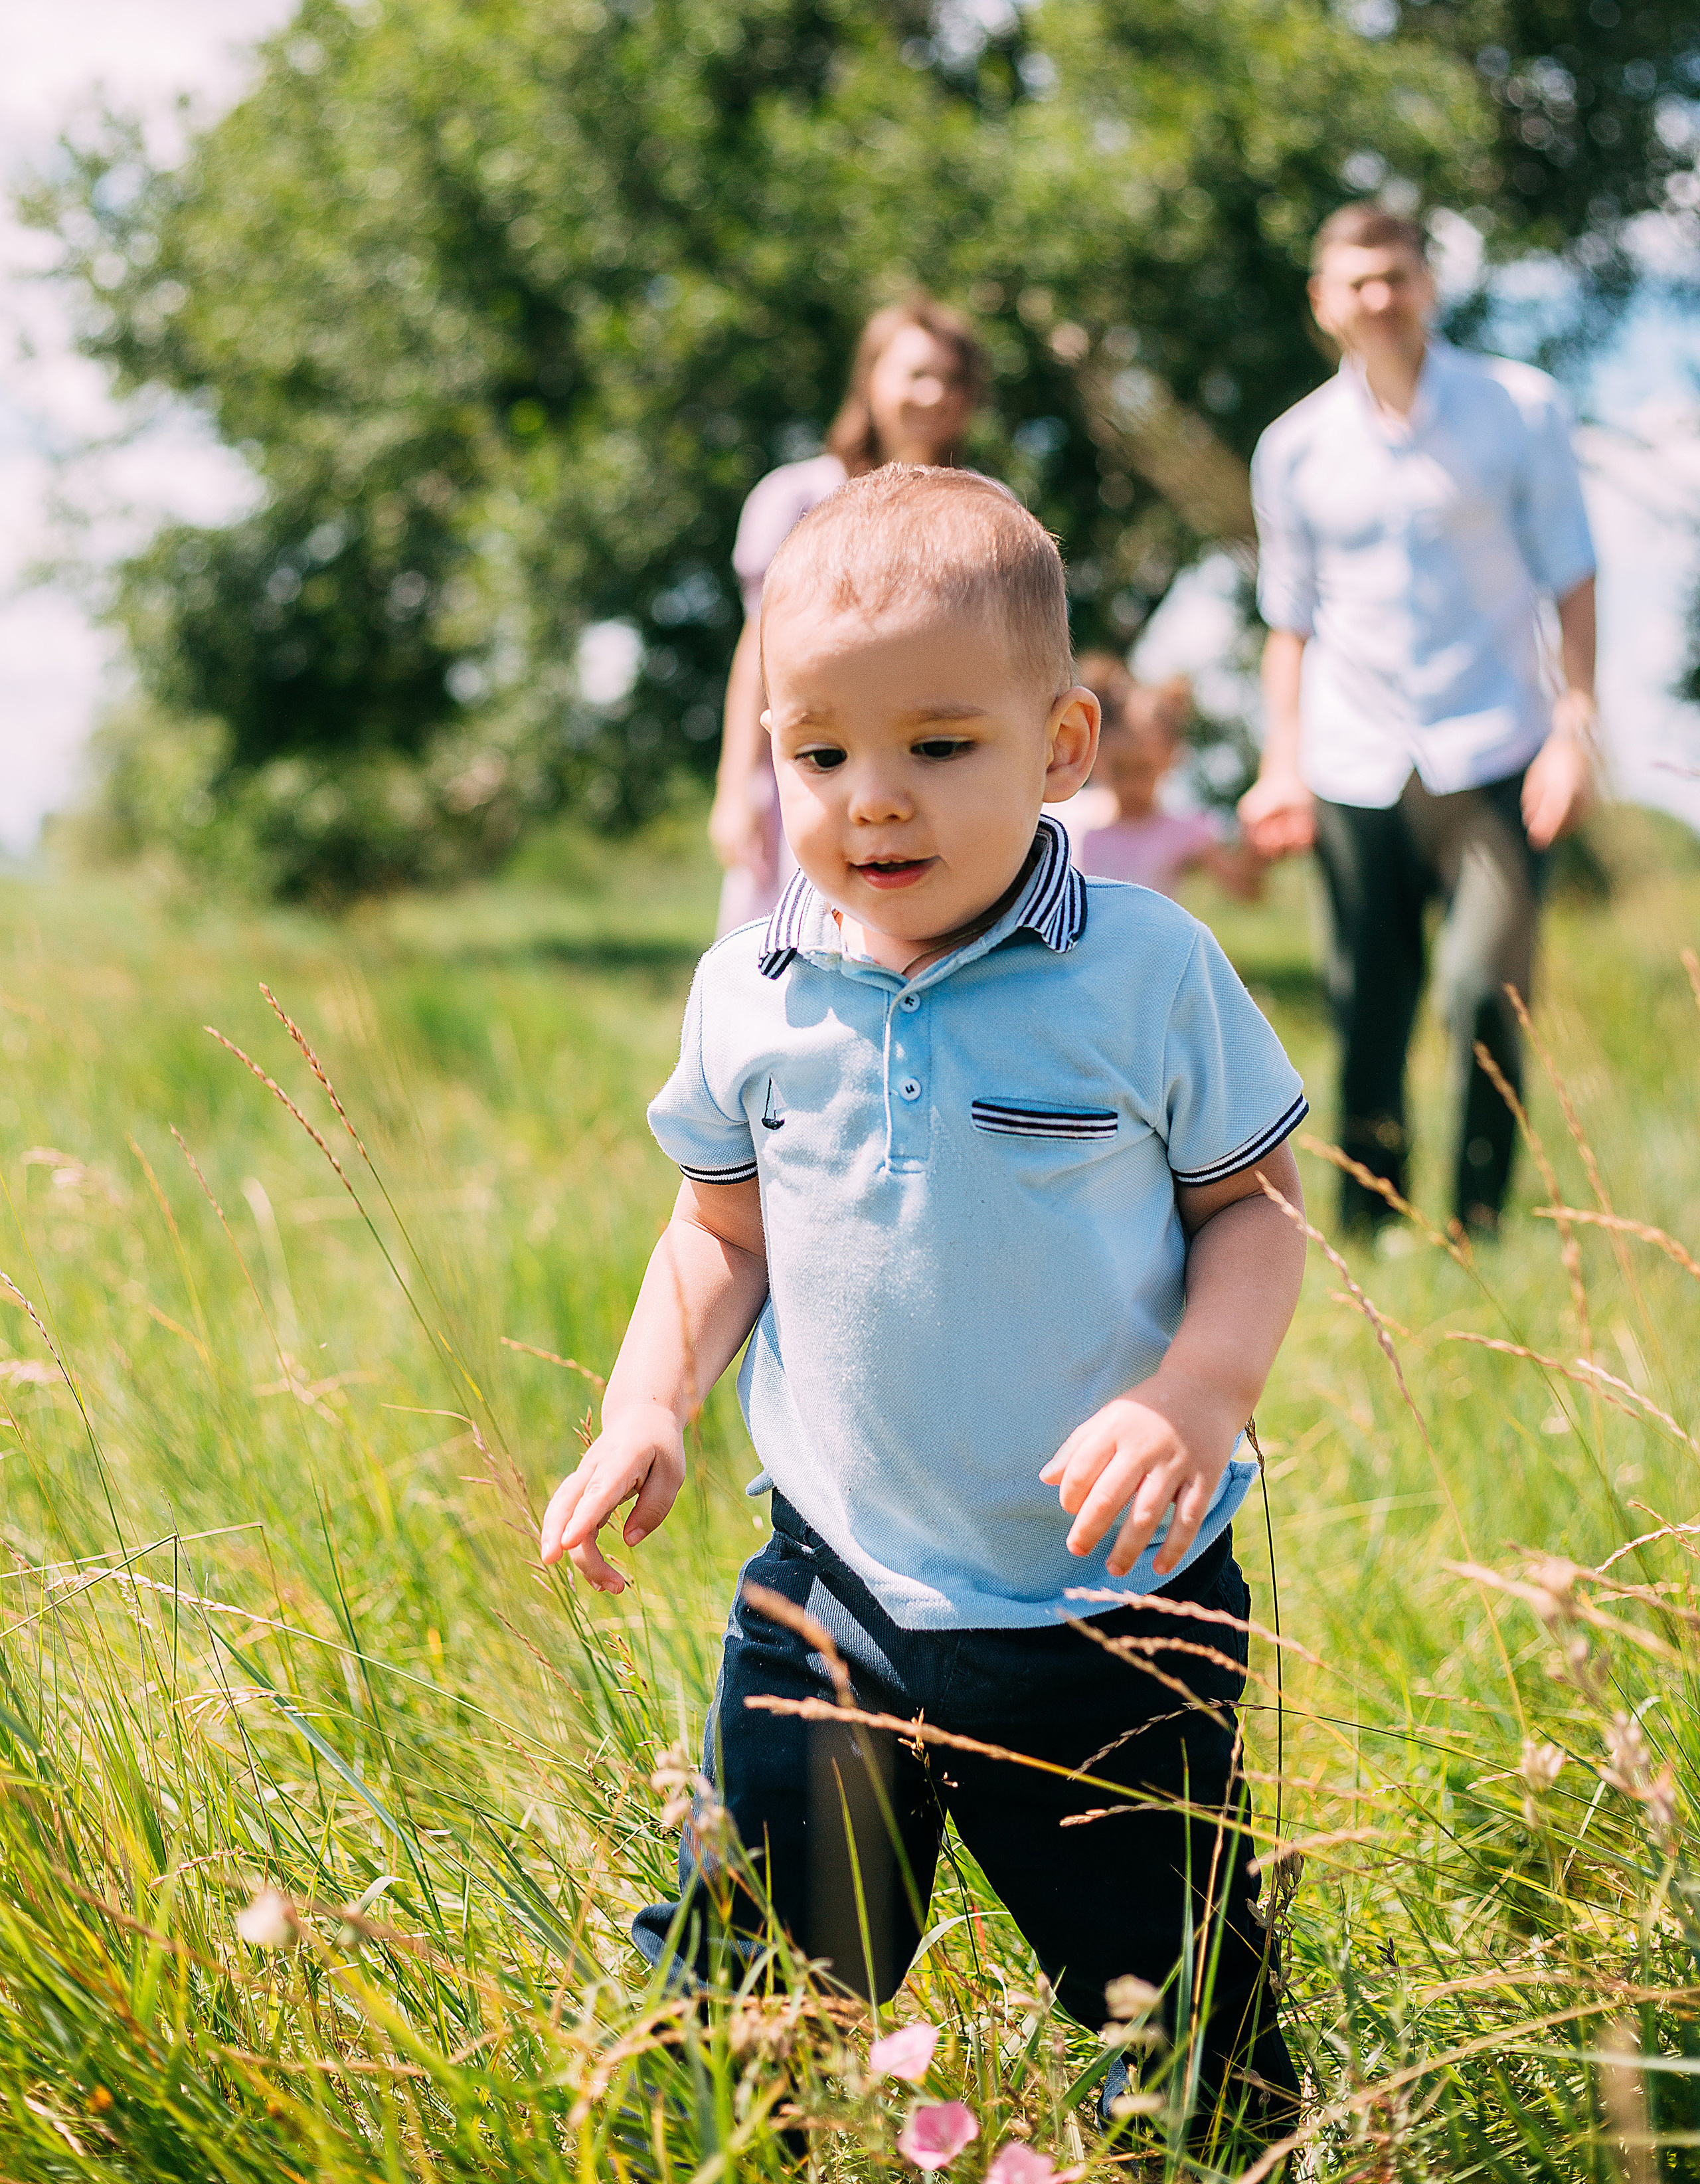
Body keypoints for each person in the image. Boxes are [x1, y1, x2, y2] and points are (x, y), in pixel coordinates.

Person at [541, 464, 1311, 2142]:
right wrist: (648, 1401)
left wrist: (1193, 1392)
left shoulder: (1142, 964)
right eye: (818, 752)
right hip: (835, 1587)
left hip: (1111, 1604)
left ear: (1059, 746)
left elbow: (1250, 1210)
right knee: (746, 1987)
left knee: (1177, 2016)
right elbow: (714, 1234)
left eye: (936, 747)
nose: (869, 800)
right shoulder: (746, 988)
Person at [1238, 202, 1598, 1237]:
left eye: (1397, 275)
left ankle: (1479, 1222)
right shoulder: (1293, 448)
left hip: (1498, 752)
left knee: (1486, 995)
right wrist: (1281, 765)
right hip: (1355, 764)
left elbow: (1573, 575)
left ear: (1428, 284)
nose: (1381, 298)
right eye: (1358, 281)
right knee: (1369, 1010)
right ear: (1324, 303)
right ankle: (1371, 1232)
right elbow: (1289, 623)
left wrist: (1576, 730)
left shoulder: (1519, 410)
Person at [709, 300, 986, 933]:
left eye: (952, 378)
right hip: (816, 777)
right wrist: (737, 790)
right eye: (915, 373)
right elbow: (760, 655)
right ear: (870, 379)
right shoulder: (795, 497)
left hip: (935, 776)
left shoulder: (985, 510)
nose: (934, 393)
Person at [1059, 657, 1265, 902]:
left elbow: (1244, 889)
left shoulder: (1182, 831)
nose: (1131, 784)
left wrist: (1259, 848)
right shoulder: (1067, 819)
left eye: (1144, 770)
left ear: (1171, 757)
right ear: (1094, 751)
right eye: (1120, 770)